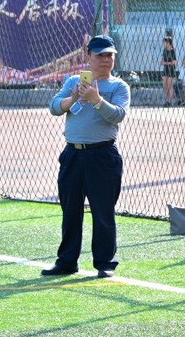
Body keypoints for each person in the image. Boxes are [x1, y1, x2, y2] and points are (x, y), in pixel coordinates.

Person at [42, 34, 129, 279]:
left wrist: (97, 100)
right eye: (99, 55)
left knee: (103, 211)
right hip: (73, 155)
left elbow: (118, 115)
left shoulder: (119, 87)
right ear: (88, 57)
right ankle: (67, 261)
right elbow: (54, 107)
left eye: (109, 55)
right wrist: (73, 98)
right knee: (71, 210)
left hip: (102, 155)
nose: (105, 60)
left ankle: (104, 263)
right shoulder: (73, 81)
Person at [161, 34, 178, 107]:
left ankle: (170, 101)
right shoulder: (164, 50)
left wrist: (166, 63)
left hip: (171, 69)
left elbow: (174, 62)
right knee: (164, 84)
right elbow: (163, 59)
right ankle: (167, 99)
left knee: (169, 85)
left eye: (165, 42)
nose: (164, 44)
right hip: (165, 69)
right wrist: (162, 62)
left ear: (168, 43)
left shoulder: (173, 51)